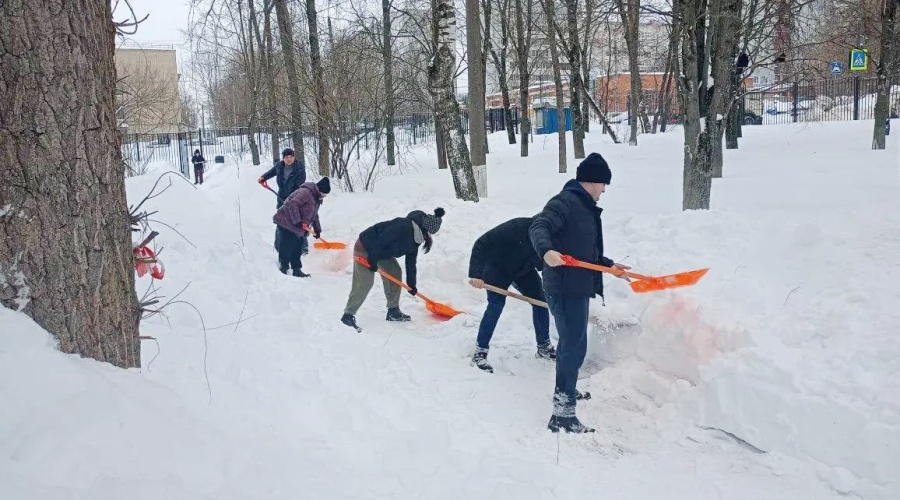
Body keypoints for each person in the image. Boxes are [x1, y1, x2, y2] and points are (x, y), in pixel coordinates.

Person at [529, 152, 631, 434]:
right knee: (574, 345)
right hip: (564, 285)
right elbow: (539, 226)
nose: (604, 190)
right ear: (593, 181)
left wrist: (609, 266)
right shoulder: (564, 202)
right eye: (603, 184)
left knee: (572, 343)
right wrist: (546, 251)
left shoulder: (584, 207)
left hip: (577, 284)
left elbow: (586, 252)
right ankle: (562, 413)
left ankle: (567, 391)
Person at [468, 216, 555, 373]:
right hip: (497, 269)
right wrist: (476, 274)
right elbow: (481, 243)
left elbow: (546, 263)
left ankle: (544, 347)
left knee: (540, 302)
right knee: (496, 305)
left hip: (523, 270)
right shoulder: (516, 226)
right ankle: (480, 352)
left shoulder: (547, 238)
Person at [340, 207, 445, 331]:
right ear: (426, 228)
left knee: (395, 272)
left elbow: (411, 264)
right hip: (366, 247)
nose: (430, 236)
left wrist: (412, 285)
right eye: (430, 233)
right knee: (365, 282)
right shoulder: (403, 225)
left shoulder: (416, 239)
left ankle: (393, 310)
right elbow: (382, 239)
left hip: (381, 252)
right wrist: (372, 259)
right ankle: (348, 314)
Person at [272, 177, 331, 277]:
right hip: (286, 221)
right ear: (319, 189)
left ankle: (296, 270)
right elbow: (292, 204)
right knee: (287, 246)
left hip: (296, 226)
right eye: (324, 193)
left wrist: (317, 230)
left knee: (298, 246)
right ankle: (283, 268)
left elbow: (314, 215)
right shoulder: (306, 192)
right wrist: (297, 220)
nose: (324, 196)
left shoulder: (317, 198)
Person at [258, 148, 308, 261]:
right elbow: (271, 172)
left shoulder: (300, 169)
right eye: (286, 157)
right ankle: (278, 246)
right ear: (283, 158)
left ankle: (303, 248)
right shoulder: (279, 166)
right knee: (280, 221)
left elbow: (299, 186)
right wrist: (263, 177)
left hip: (296, 200)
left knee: (297, 222)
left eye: (291, 157)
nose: (289, 159)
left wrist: (291, 200)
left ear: (294, 157)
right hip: (281, 199)